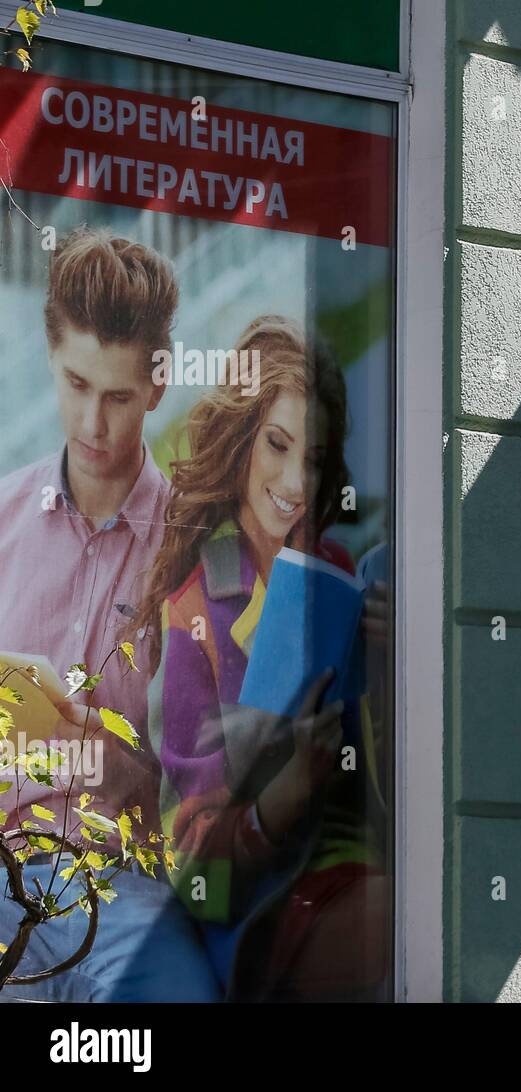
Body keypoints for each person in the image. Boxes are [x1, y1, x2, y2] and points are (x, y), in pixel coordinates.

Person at [134, 315, 389, 1001]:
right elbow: (191, 868)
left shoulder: (335, 571)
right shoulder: (196, 613)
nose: (293, 481)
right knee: (394, 924)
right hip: (267, 906)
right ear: (244, 440)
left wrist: (393, 668)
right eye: (277, 444)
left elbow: (393, 773)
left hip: (368, 860)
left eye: (312, 458)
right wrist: (277, 803)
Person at [0, 226, 220, 1002]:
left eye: (119, 396)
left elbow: (200, 764)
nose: (94, 424)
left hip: (127, 887)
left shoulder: (191, 544)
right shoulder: (1, 521)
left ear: (157, 385)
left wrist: (93, 749)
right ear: (52, 363)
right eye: (77, 385)